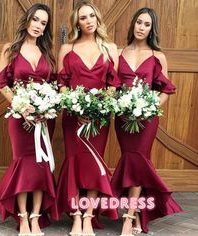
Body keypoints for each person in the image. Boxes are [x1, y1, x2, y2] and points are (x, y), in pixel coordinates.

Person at [0, 3, 58, 236]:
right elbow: (2, 83)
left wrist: (46, 107)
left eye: (43, 23)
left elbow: (54, 85)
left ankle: (36, 217)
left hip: (44, 118)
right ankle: (24, 219)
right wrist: (21, 106)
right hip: (20, 118)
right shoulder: (11, 49)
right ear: (27, 20)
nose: (38, 25)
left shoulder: (47, 53)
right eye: (35, 19)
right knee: (23, 165)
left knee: (41, 167)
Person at [111, 7, 182, 235]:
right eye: (139, 22)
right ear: (133, 24)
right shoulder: (119, 53)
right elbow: (112, 86)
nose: (141, 27)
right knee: (132, 163)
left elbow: (165, 90)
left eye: (147, 24)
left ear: (152, 29)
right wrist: (118, 107)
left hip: (146, 120)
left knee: (139, 162)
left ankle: (128, 218)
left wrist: (148, 109)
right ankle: (137, 215)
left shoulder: (157, 56)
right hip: (123, 119)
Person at [56, 1, 120, 235]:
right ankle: (75, 217)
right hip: (73, 117)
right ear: (77, 23)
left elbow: (113, 85)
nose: (89, 20)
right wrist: (76, 109)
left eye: (92, 16)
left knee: (94, 164)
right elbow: (61, 84)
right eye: (83, 18)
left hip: (100, 118)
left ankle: (88, 216)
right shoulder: (67, 48)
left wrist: (97, 110)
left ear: (98, 18)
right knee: (74, 163)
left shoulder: (110, 48)